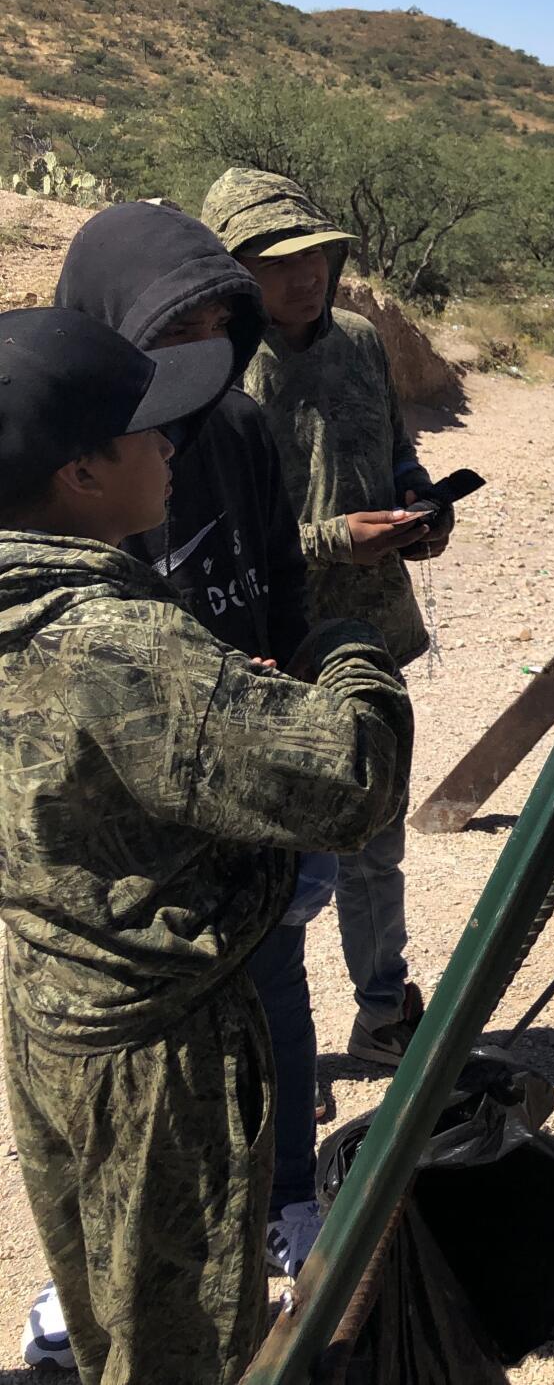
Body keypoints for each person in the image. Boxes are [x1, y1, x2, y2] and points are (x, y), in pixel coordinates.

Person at [0, 308, 412, 1385]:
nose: (174, 447)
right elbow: (347, 778)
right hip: (158, 1065)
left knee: (109, 1316)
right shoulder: (114, 639)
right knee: (186, 1342)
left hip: (52, 1017)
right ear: (82, 475)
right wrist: (349, 649)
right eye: (145, 433)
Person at [53, 199, 330, 1286]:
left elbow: (281, 581)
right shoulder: (57, 460)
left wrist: (292, 706)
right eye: (172, 332)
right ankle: (119, 1254)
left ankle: (292, 1195)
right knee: (135, 1044)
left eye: (219, 325)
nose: (199, 353)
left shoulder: (241, 429)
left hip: (246, 783)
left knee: (275, 986)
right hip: (126, 817)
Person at [201, 167, 452, 1066]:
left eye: (314, 254)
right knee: (289, 867)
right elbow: (222, 537)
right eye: (276, 262)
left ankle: (383, 1010)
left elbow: (394, 451)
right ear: (232, 273)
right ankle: (283, 1042)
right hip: (276, 657)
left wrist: (420, 505)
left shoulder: (357, 339)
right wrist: (330, 542)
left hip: (373, 638)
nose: (304, 276)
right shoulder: (215, 380)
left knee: (376, 843)